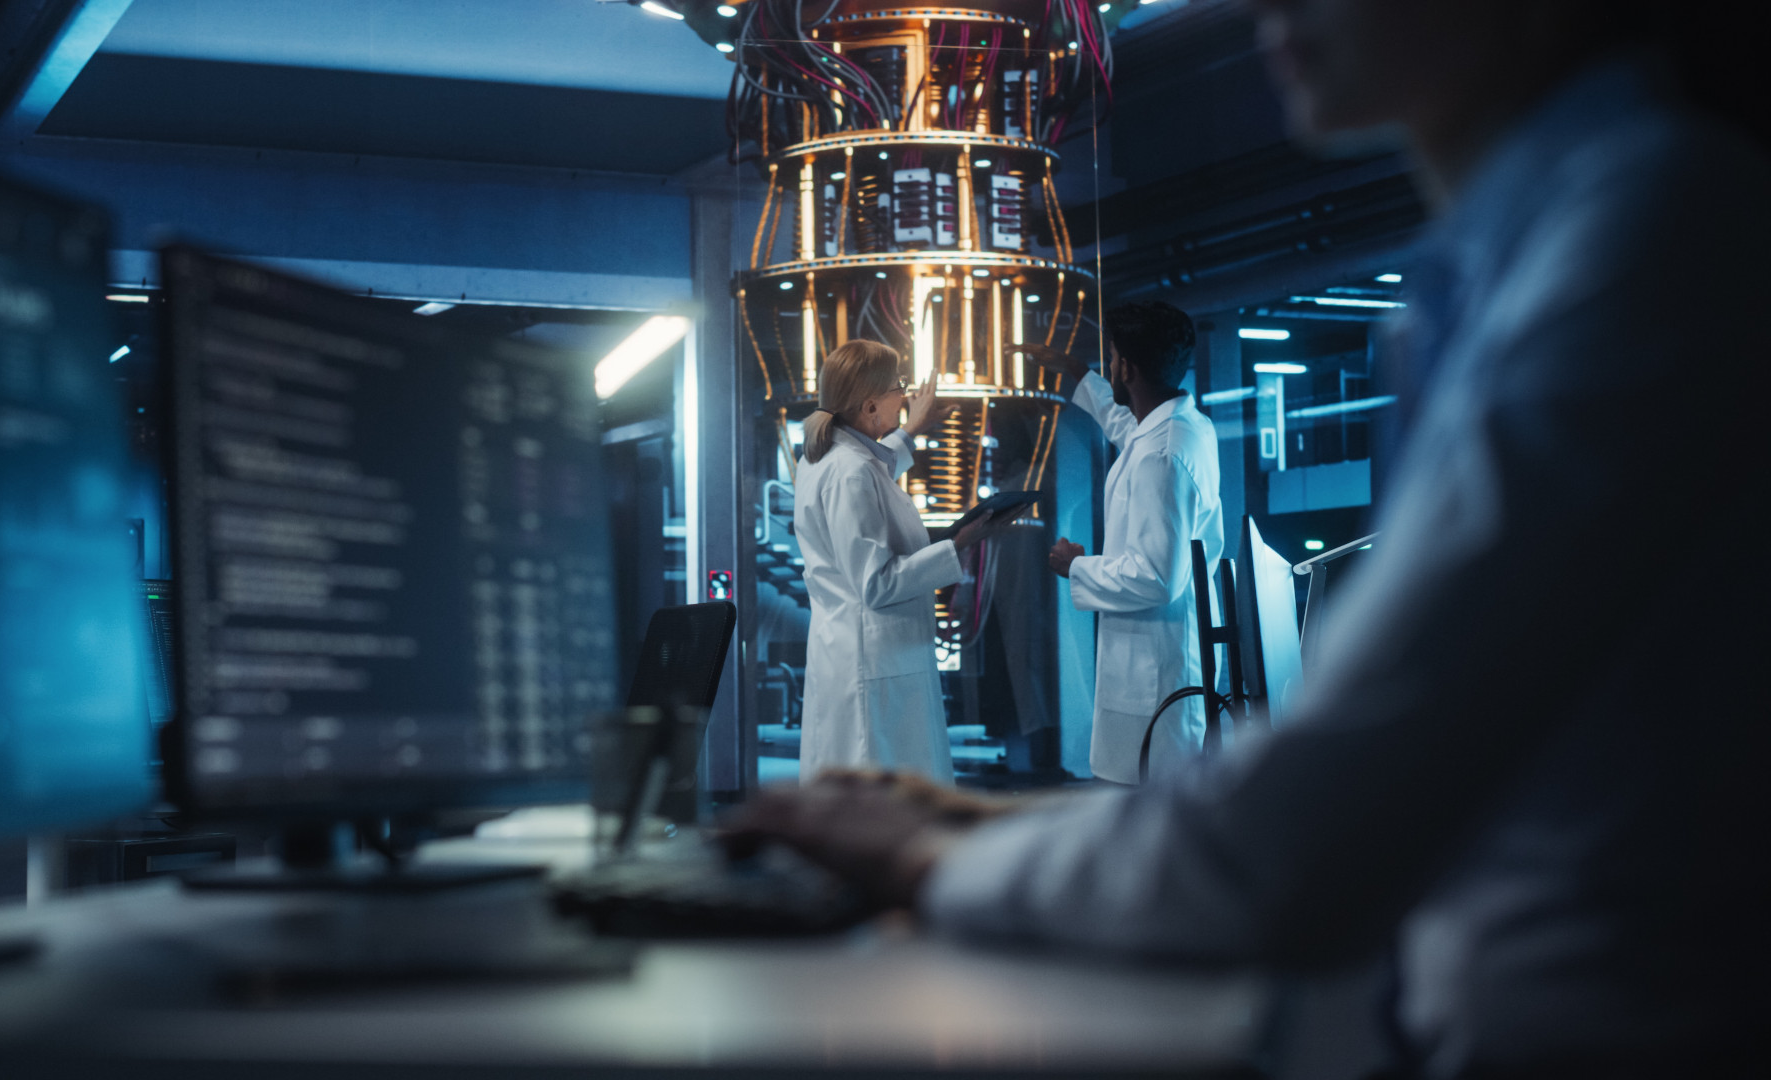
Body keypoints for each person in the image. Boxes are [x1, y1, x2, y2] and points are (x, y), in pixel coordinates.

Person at [730, 0, 1770, 1074]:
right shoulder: (1537, 252)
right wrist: (979, 834)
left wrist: (936, 857)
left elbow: (1315, 820)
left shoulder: (1651, 244)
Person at [1015, 302, 1222, 783]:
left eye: (1110, 357)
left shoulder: (1162, 455)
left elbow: (1157, 578)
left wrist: (1076, 566)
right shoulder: (1184, 427)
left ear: (1126, 368)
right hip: (1162, 652)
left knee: (1155, 797)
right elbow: (1130, 430)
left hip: (1158, 664)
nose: (1110, 365)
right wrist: (1078, 374)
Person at [794, 340, 1017, 783]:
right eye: (898, 386)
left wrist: (911, 428)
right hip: (872, 663)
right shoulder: (851, 471)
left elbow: (877, 469)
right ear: (870, 406)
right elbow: (877, 584)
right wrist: (959, 544)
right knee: (879, 799)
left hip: (857, 654)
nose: (906, 393)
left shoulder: (827, 460)